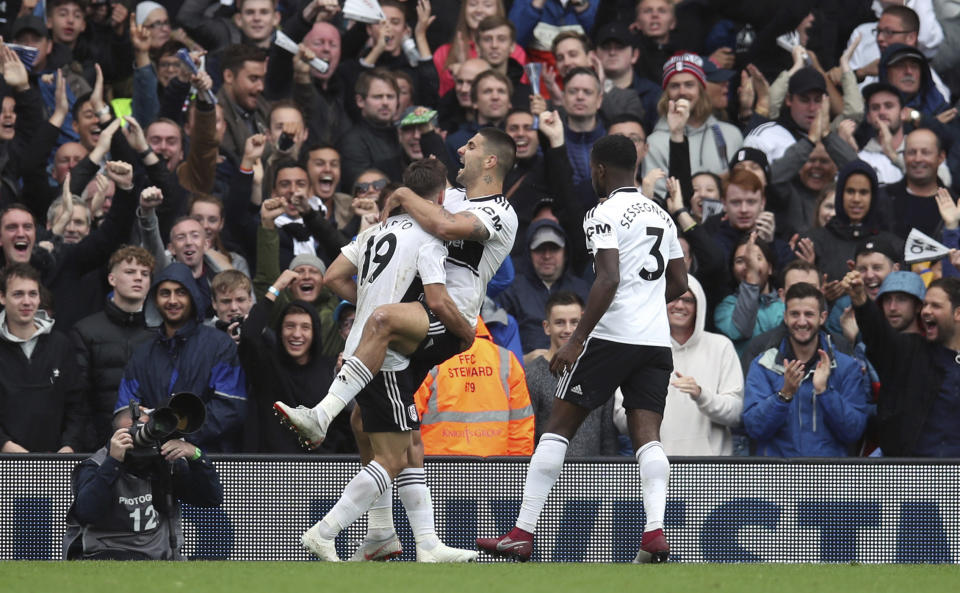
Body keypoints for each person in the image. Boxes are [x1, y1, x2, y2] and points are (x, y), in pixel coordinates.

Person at [477, 134, 687, 563]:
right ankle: (653, 533)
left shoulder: (602, 212)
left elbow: (607, 279)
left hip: (610, 337)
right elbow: (681, 284)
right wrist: (645, 304)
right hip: (654, 341)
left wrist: (575, 340)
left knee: (557, 426)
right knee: (648, 438)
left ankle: (521, 532)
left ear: (600, 169)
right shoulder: (662, 216)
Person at [282, 157, 486, 562]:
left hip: (359, 346)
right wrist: (465, 332)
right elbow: (437, 297)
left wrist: (375, 299)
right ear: (440, 196)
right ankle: (325, 532)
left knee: (406, 442)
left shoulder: (374, 233)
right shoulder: (431, 237)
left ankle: (402, 540)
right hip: (388, 354)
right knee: (393, 456)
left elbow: (333, 278)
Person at [115, 263, 247, 453]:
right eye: (165, 293)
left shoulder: (219, 345)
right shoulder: (142, 353)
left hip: (208, 461)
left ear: (193, 297)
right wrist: (147, 428)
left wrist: (180, 436)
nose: (173, 300)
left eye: (180, 292)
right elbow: (124, 411)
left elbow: (231, 408)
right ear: (155, 300)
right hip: (153, 463)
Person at [63, 408, 223, 560]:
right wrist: (113, 462)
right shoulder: (96, 464)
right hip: (107, 552)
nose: (142, 438)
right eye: (132, 433)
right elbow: (86, 512)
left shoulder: (166, 462)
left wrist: (195, 455)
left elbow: (211, 498)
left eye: (148, 430)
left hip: (160, 555)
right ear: (115, 436)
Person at [743, 282, 870, 457]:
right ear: (785, 317)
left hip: (828, 478)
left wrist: (825, 392)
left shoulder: (846, 367)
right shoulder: (764, 365)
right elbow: (754, 428)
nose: (802, 322)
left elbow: (853, 431)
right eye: (795, 314)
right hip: (778, 478)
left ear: (822, 318)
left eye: (809, 314)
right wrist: (784, 395)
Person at [847, 271, 960, 456]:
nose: (926, 311)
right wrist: (861, 300)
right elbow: (878, 335)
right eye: (925, 305)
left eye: (936, 306)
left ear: (958, 313)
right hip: (912, 474)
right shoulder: (910, 351)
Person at [240, 269, 350, 454]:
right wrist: (277, 287)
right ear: (280, 331)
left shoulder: (330, 370)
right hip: (272, 469)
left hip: (322, 470)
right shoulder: (266, 367)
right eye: (290, 326)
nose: (297, 334)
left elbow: (343, 429)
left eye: (305, 327)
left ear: (315, 333)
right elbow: (249, 336)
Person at [71, 246, 156, 452]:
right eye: (130, 272)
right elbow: (79, 399)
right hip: (98, 445)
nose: (138, 278)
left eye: (144, 274)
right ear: (112, 279)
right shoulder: (85, 330)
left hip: (150, 445)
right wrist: (93, 445)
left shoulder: (159, 334)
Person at [414, 316, 534, 456]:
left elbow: (409, 419)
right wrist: (515, 469)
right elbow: (521, 425)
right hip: (494, 469)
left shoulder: (428, 357)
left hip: (436, 467)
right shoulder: (506, 359)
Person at [0, 264, 83, 453]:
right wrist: (5, 446)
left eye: (33, 294)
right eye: (18, 294)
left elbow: (77, 405)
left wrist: (69, 446)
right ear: (2, 297)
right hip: (4, 463)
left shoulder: (60, 345)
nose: (27, 301)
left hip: (56, 461)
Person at [524, 291, 619, 455]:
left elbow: (608, 437)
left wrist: (608, 477)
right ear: (547, 327)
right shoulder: (532, 374)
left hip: (593, 474)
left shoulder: (600, 373)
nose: (568, 329)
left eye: (575, 322)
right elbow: (527, 434)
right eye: (560, 322)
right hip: (546, 474)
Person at [661, 275, 743, 456]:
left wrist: (701, 395)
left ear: (699, 307)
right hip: (659, 469)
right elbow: (621, 418)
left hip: (710, 470)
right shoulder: (647, 349)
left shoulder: (721, 347)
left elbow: (736, 412)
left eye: (688, 300)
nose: (680, 306)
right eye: (673, 298)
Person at [643, 53, 743, 198]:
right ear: (666, 94)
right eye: (675, 86)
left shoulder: (730, 134)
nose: (682, 92)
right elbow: (658, 196)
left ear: (701, 90)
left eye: (689, 85)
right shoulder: (655, 142)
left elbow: (741, 188)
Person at [495, 218, 590, 354]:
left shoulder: (583, 289)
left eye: (554, 249)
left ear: (565, 252)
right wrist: (523, 360)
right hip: (525, 371)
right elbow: (497, 338)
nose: (547, 256)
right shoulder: (511, 290)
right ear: (529, 253)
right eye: (539, 249)